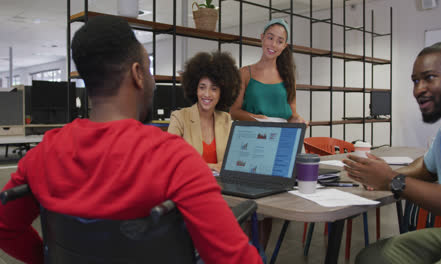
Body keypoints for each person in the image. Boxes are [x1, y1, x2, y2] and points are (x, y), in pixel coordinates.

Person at [0, 16, 262, 264]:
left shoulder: (41, 156)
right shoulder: (175, 160)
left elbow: (4, 229)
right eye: (148, 69)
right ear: (137, 74)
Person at [343, 41, 441, 264]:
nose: (418, 89)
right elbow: (426, 167)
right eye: (415, 81)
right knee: (371, 258)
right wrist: (380, 175)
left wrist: (393, 180)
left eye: (429, 77)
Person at [168, 51, 240, 172]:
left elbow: (234, 158)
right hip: (189, 184)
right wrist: (211, 166)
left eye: (214, 89)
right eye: (202, 87)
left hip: (221, 186)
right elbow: (170, 158)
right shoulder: (179, 117)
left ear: (221, 92)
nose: (207, 94)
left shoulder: (226, 119)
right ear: (195, 89)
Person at [230, 18, 307, 124]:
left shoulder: (288, 77)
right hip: (252, 136)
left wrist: (298, 120)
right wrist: (257, 118)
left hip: (281, 136)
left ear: (284, 46)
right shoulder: (244, 73)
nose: (273, 44)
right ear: (262, 37)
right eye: (270, 38)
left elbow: (292, 115)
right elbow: (234, 112)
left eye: (280, 41)